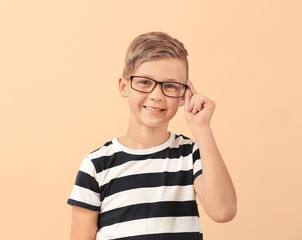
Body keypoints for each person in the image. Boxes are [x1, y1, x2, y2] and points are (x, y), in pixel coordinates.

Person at [67, 31, 237, 240]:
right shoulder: (96, 165)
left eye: (170, 86)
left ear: (184, 95)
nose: (156, 95)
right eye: (145, 82)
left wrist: (201, 128)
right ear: (124, 86)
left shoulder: (191, 155)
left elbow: (223, 211)